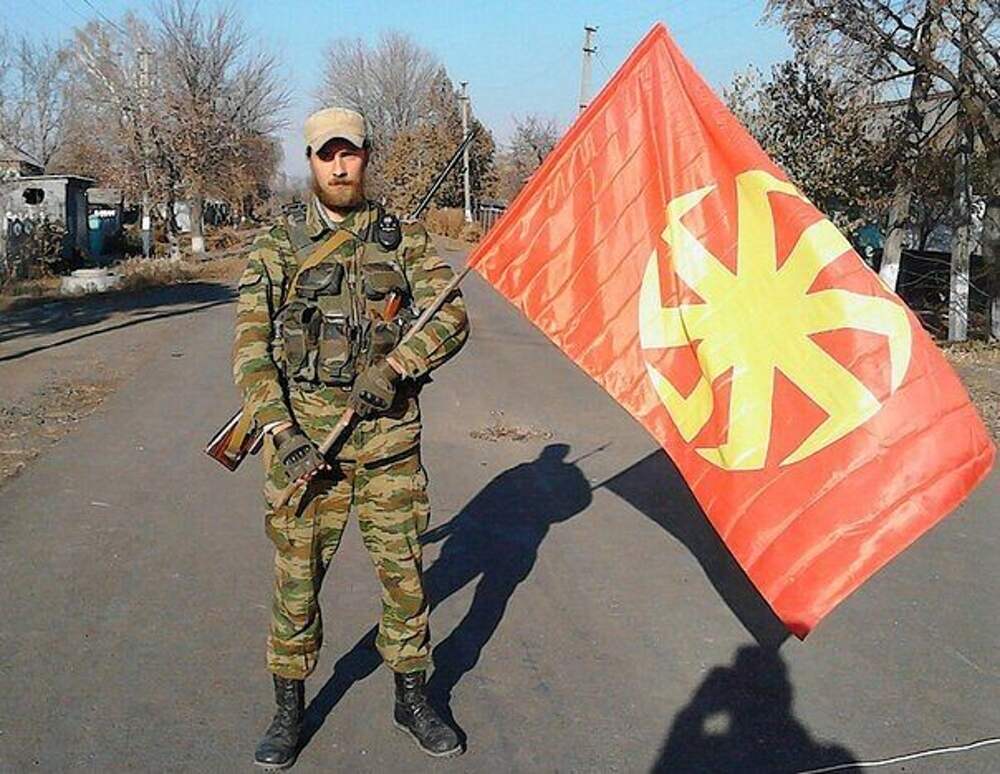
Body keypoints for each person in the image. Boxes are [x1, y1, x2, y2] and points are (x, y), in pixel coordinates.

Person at [233, 106, 469, 768]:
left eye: (350, 153)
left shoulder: (405, 239)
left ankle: (412, 699)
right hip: (308, 451)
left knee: (405, 579)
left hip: (389, 448)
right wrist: (282, 432)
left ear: (366, 156)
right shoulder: (279, 245)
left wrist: (396, 368)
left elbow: (450, 315)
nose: (339, 167)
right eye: (326, 155)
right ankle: (289, 708)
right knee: (296, 583)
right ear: (310, 161)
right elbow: (250, 348)